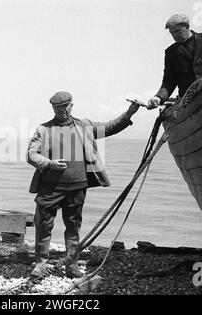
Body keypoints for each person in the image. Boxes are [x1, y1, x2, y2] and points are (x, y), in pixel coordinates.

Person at [26, 91, 140, 278]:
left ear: (72, 105)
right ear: (52, 108)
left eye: (65, 107)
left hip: (77, 188)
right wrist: (49, 163)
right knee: (44, 225)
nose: (61, 111)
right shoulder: (43, 129)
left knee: (73, 227)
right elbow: (31, 154)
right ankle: (40, 264)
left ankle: (71, 266)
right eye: (57, 108)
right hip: (50, 188)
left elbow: (110, 127)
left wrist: (130, 113)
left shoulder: (84, 126)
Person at [148, 14, 202, 109]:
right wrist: (158, 97)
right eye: (171, 33)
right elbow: (169, 81)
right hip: (190, 104)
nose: (174, 35)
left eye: (177, 31)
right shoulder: (170, 52)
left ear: (187, 27)